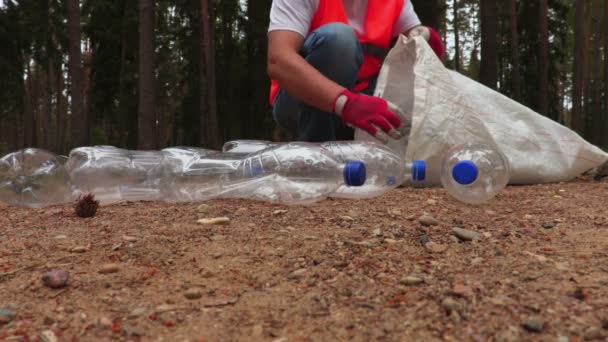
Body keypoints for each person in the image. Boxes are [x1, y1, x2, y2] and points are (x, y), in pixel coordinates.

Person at [267, 0, 445, 143]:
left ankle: (386, 151)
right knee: (339, 38)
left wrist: (426, 37)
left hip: (365, 101)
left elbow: (419, 51)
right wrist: (346, 103)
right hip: (298, 103)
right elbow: (279, 61)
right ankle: (317, 153)